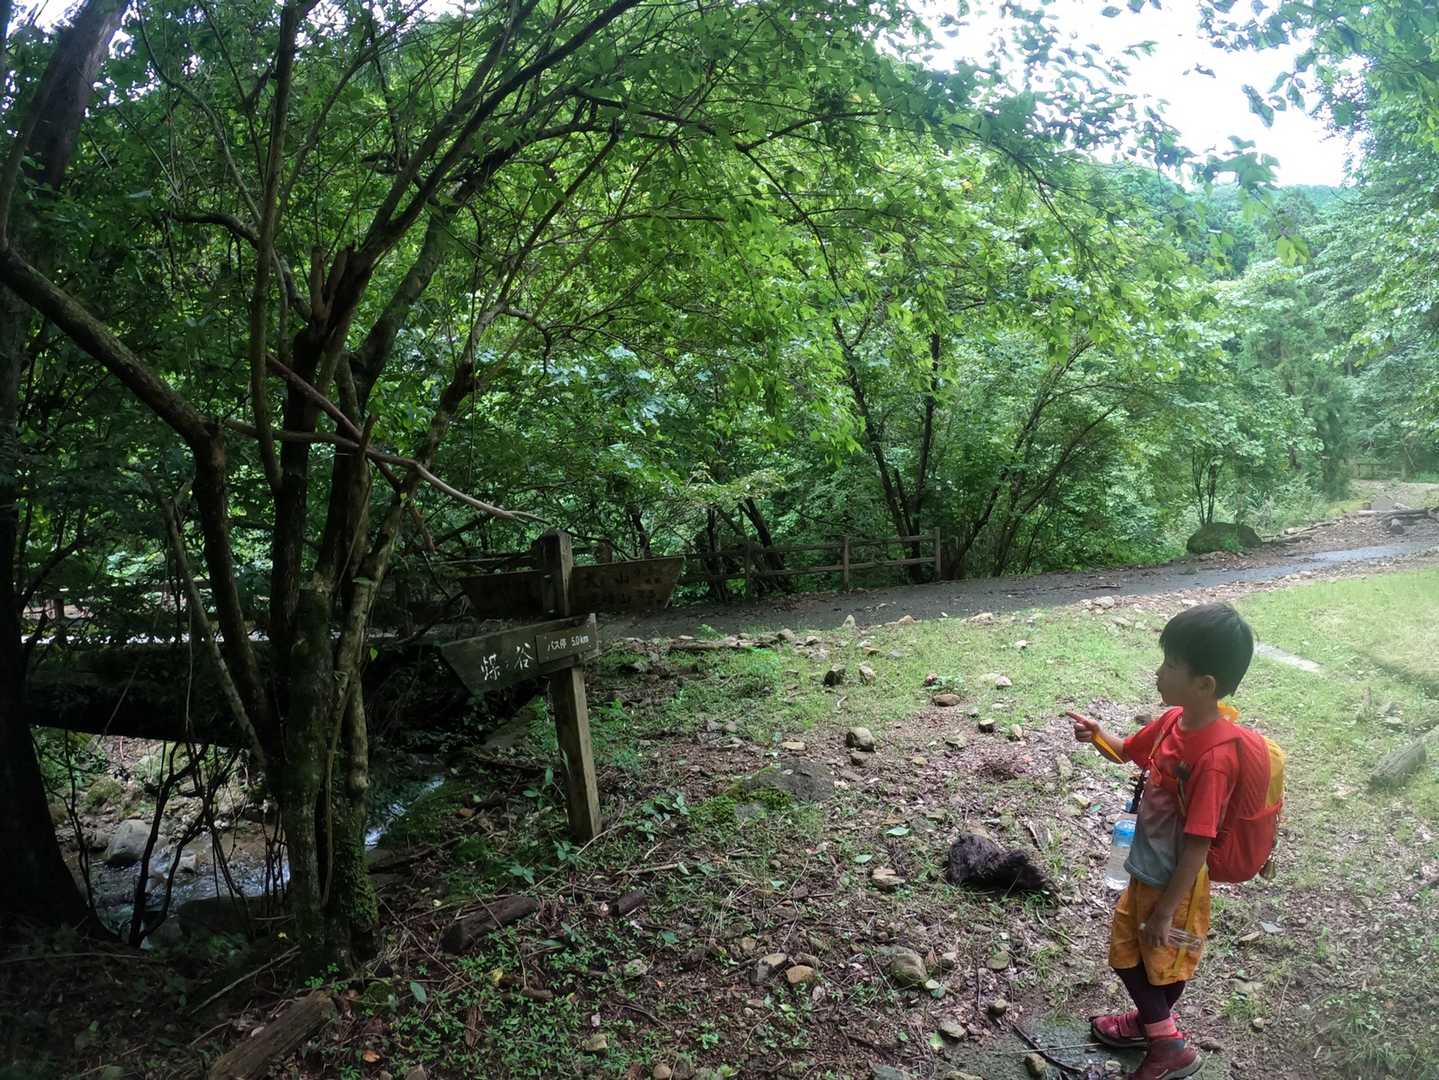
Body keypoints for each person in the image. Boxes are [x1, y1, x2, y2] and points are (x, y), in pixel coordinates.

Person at [1071, 601, 1255, 1080]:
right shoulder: (1173, 721)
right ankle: (1150, 1024)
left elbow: (1197, 845)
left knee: (1145, 954)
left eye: (1171, 664)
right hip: (1148, 869)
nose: (1159, 672)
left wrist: (1167, 910)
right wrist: (1097, 735)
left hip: (1177, 883)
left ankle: (1168, 1044)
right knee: (1146, 953)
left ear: (1204, 685)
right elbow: (1127, 752)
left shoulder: (1214, 758)